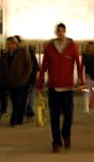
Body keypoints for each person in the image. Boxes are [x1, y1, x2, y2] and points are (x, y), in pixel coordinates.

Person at [37, 23, 84, 153]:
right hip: (53, 86)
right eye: (58, 31)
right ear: (56, 32)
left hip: (68, 87)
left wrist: (82, 81)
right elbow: (44, 65)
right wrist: (40, 81)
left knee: (68, 116)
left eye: (62, 31)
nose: (60, 33)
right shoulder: (49, 47)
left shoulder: (72, 46)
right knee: (54, 116)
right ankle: (56, 142)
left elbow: (78, 64)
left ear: (65, 32)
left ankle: (66, 134)